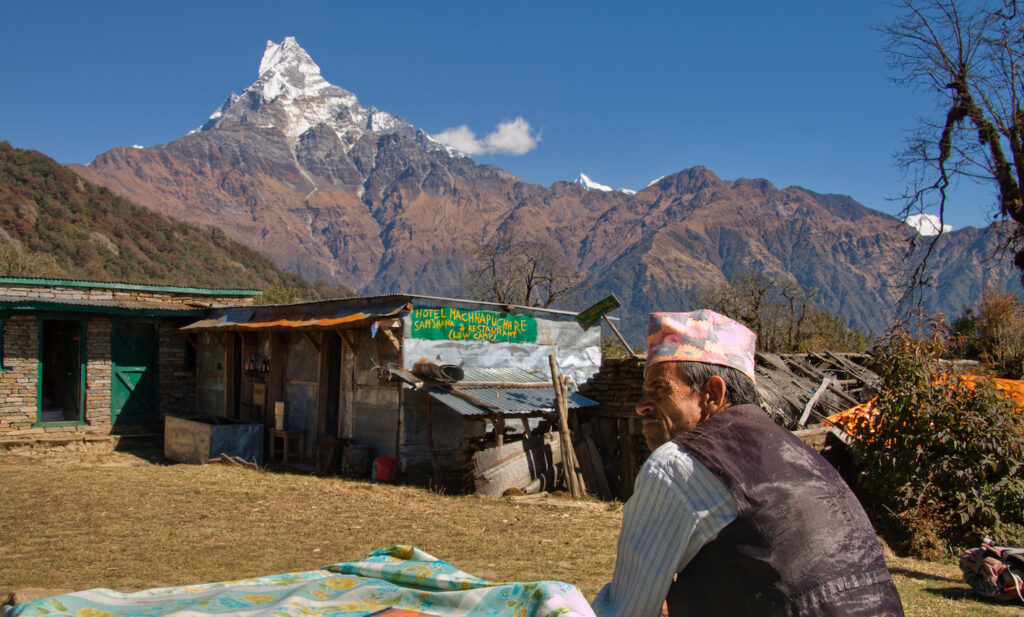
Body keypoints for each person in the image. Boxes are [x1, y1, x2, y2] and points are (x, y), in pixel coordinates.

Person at [592, 310, 903, 617]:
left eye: (659, 389)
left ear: (712, 394)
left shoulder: (678, 463)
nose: (641, 405)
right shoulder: (798, 453)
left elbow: (624, 612)